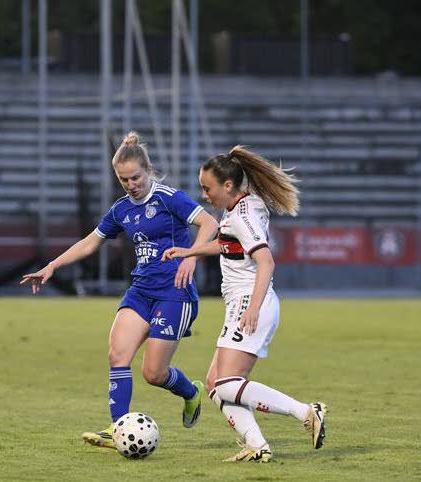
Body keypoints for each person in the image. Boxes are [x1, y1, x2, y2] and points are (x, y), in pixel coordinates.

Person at [20, 132, 219, 448]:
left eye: (136, 177)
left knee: (153, 373)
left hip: (174, 292)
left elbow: (210, 224)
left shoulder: (169, 198)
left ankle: (191, 392)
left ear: (148, 170)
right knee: (117, 356)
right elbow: (91, 242)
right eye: (123, 179)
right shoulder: (121, 209)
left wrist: (191, 257)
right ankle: (118, 430)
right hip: (140, 291)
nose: (131, 184)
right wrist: (52, 266)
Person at [162, 145, 327, 463]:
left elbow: (266, 261)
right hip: (242, 303)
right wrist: (190, 252)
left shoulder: (243, 215)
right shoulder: (242, 204)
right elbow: (227, 244)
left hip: (250, 302)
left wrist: (252, 308)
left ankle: (306, 412)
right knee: (215, 384)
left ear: (227, 185)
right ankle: (256, 444)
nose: (205, 195)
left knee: (226, 384)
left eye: (208, 188)